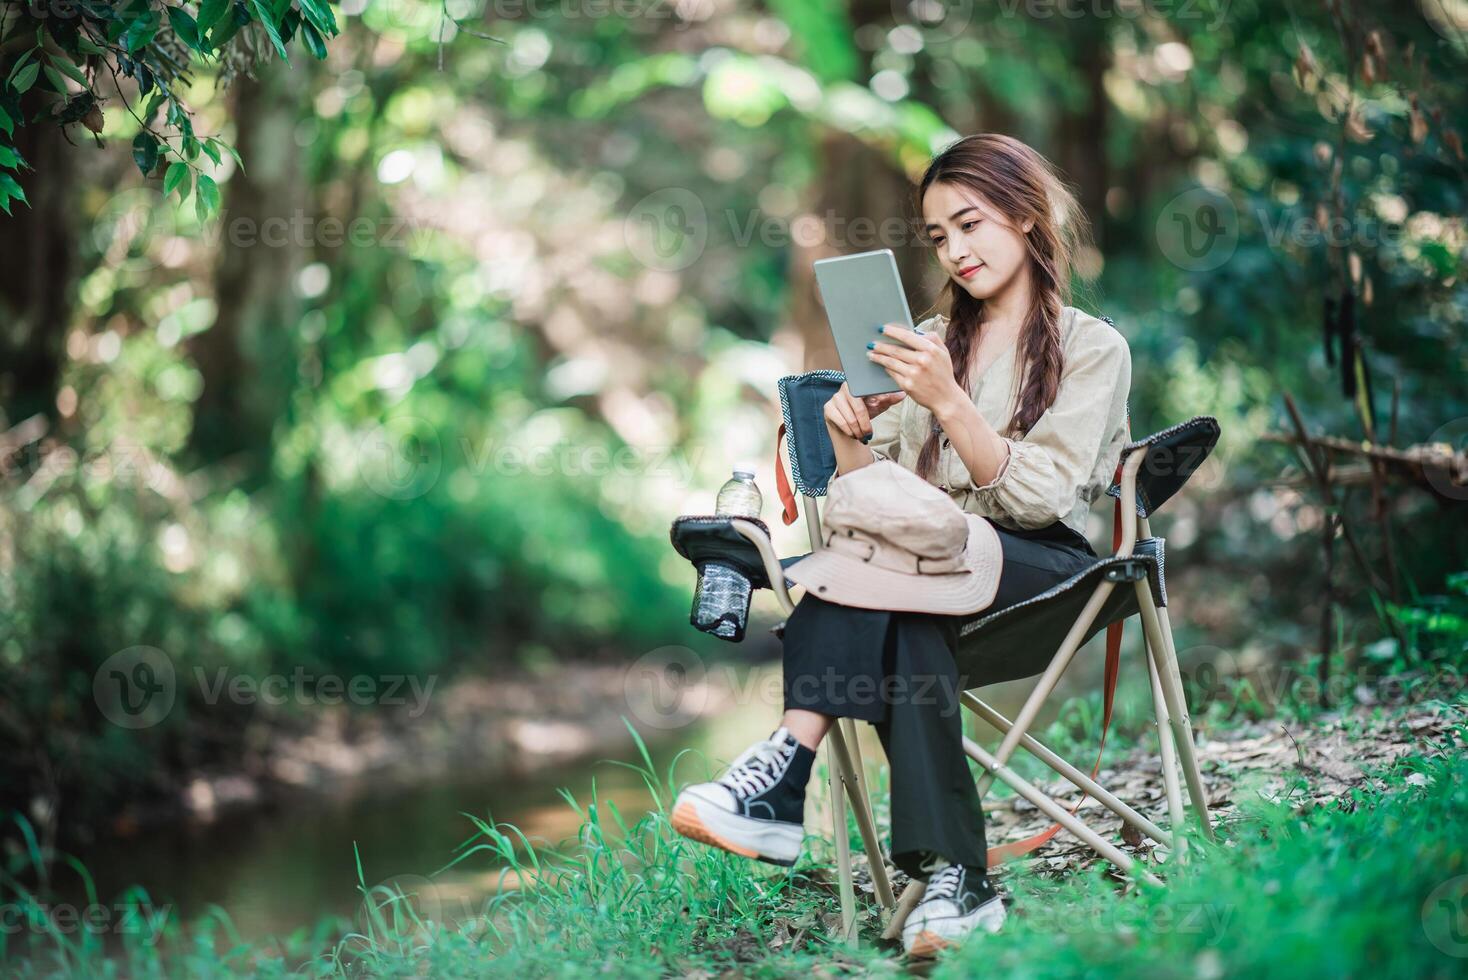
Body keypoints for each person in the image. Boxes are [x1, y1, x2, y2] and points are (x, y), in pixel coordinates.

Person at [671, 133, 1133, 958]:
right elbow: (874, 495)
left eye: (970, 225)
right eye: (938, 237)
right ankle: (958, 883)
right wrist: (851, 436)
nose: (954, 251)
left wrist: (951, 401)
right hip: (922, 570)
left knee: (876, 580)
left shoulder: (1092, 346)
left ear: (1026, 218)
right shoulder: (925, 338)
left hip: (1044, 570)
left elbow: (1038, 497)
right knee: (909, 608)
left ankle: (784, 766)